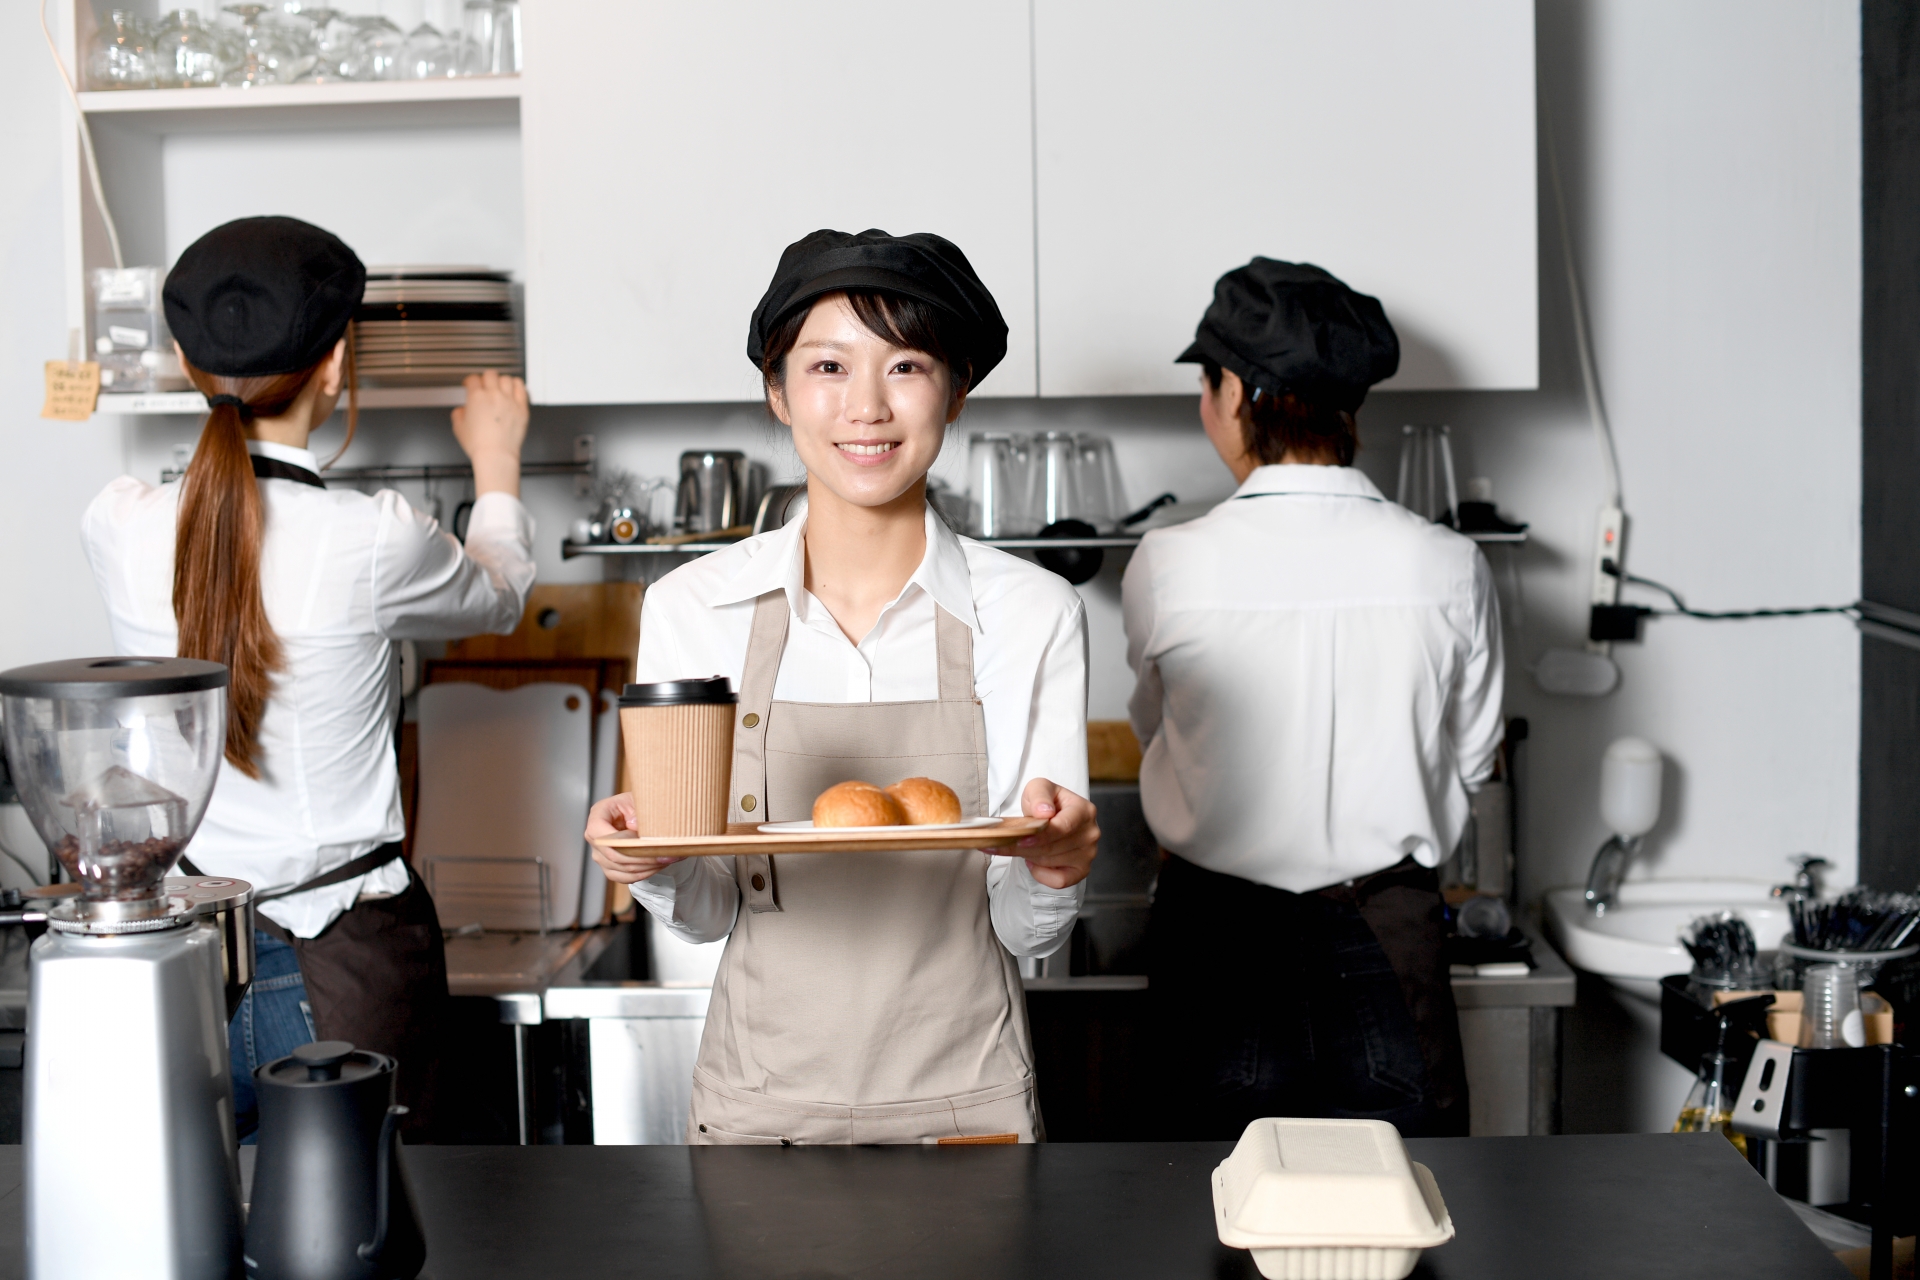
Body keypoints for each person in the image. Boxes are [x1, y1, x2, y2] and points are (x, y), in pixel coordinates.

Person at [586, 228, 1099, 1145]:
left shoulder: (1033, 612)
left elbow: (1027, 934)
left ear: (957, 389)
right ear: (778, 393)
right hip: (757, 1113)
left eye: (906, 365)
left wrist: (1056, 867)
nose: (866, 406)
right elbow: (706, 914)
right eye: (828, 365)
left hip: (965, 1109)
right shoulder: (691, 610)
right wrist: (646, 863)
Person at [81, 216, 536, 1139]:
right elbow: (499, 596)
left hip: (188, 961)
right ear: (335, 365)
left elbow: (226, 533)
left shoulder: (118, 524)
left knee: (203, 1232)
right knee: (369, 1232)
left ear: (183, 359)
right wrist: (497, 461)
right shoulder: (374, 537)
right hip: (352, 964)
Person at [1126, 258, 1504, 1139]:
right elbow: (1475, 756)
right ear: (1348, 407)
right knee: (1409, 1222)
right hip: (1390, 931)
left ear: (1238, 395)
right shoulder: (1448, 563)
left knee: (1196, 1223)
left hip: (1214, 936)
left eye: (1206, 380)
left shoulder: (1170, 562)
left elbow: (1163, 730)